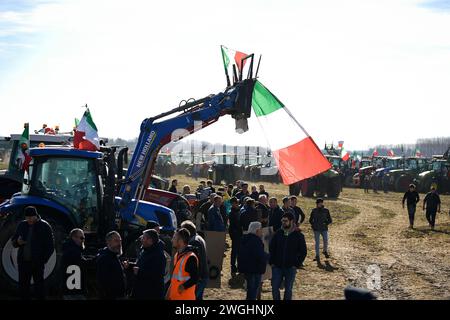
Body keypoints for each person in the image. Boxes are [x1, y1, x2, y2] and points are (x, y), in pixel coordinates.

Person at [12, 206, 54, 300]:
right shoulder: (22, 225)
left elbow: (50, 246)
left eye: (31, 217)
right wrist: (17, 242)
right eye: (27, 217)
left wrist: (43, 260)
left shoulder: (45, 226)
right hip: (23, 262)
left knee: (39, 287)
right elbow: (14, 241)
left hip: (37, 263)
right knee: (23, 287)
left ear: (36, 216)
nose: (29, 219)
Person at [269, 212, 307, 300]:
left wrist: (297, 264)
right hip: (277, 266)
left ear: (292, 221)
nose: (283, 222)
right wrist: (272, 262)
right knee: (274, 288)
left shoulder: (299, 235)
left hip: (291, 267)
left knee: (288, 289)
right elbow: (271, 248)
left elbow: (303, 252)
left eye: (285, 221)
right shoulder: (278, 233)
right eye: (282, 221)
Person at [131, 229, 166, 300]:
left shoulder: (159, 255)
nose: (141, 240)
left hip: (151, 294)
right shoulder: (145, 250)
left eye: (143, 238)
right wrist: (130, 266)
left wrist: (139, 272)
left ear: (150, 240)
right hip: (143, 292)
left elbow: (156, 275)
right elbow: (141, 265)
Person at [238, 221, 268, 300]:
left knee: (250, 290)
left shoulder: (245, 239)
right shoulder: (256, 241)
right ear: (257, 230)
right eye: (261, 229)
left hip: (247, 269)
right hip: (255, 269)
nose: (262, 230)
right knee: (253, 290)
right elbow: (259, 255)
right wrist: (267, 257)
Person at [167, 228, 199, 300]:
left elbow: (195, 278)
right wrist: (168, 294)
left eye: (174, 237)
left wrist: (184, 286)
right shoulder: (177, 255)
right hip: (175, 297)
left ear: (180, 241)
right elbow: (175, 278)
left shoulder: (191, 257)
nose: (172, 240)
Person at [181, 221, 209, 300]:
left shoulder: (194, 242)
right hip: (202, 276)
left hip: (200, 278)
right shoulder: (198, 238)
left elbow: (196, 262)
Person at [96, 231, 127, 299]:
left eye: (120, 241)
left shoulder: (114, 255)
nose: (119, 243)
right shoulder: (104, 258)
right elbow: (103, 282)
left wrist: (123, 267)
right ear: (108, 242)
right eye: (116, 241)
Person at [61, 228, 87, 298]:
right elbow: (82, 265)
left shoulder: (69, 249)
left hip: (70, 289)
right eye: (82, 238)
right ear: (74, 237)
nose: (83, 240)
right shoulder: (74, 251)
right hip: (74, 291)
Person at [309, 198, 332, 263]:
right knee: (317, 243)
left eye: (321, 203)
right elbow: (310, 220)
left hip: (324, 229)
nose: (320, 204)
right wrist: (313, 226)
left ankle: (325, 251)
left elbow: (330, 220)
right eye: (319, 203)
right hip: (316, 229)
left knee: (325, 240)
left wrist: (326, 223)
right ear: (316, 204)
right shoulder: (313, 211)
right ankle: (317, 255)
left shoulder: (326, 210)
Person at [228, 197, 242, 274]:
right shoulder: (231, 212)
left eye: (237, 203)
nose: (236, 204)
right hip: (235, 234)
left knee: (239, 251)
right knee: (234, 251)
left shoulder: (239, 210)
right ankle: (233, 266)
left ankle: (239, 266)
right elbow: (234, 225)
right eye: (235, 203)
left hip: (239, 233)